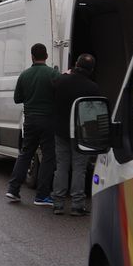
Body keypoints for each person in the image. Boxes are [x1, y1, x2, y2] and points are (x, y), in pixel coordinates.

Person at [51, 53, 103, 216]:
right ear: (92, 69)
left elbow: (51, 93)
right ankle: (77, 205)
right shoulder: (93, 87)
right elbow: (95, 113)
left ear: (75, 64)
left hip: (60, 131)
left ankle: (58, 204)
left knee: (61, 167)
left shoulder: (60, 81)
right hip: (81, 133)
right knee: (79, 169)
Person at [6, 43, 57, 207]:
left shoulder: (24, 75)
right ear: (47, 56)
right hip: (48, 120)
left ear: (32, 57)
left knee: (26, 154)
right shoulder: (53, 74)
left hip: (30, 120)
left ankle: (13, 190)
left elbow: (17, 98)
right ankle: (42, 195)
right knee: (48, 156)